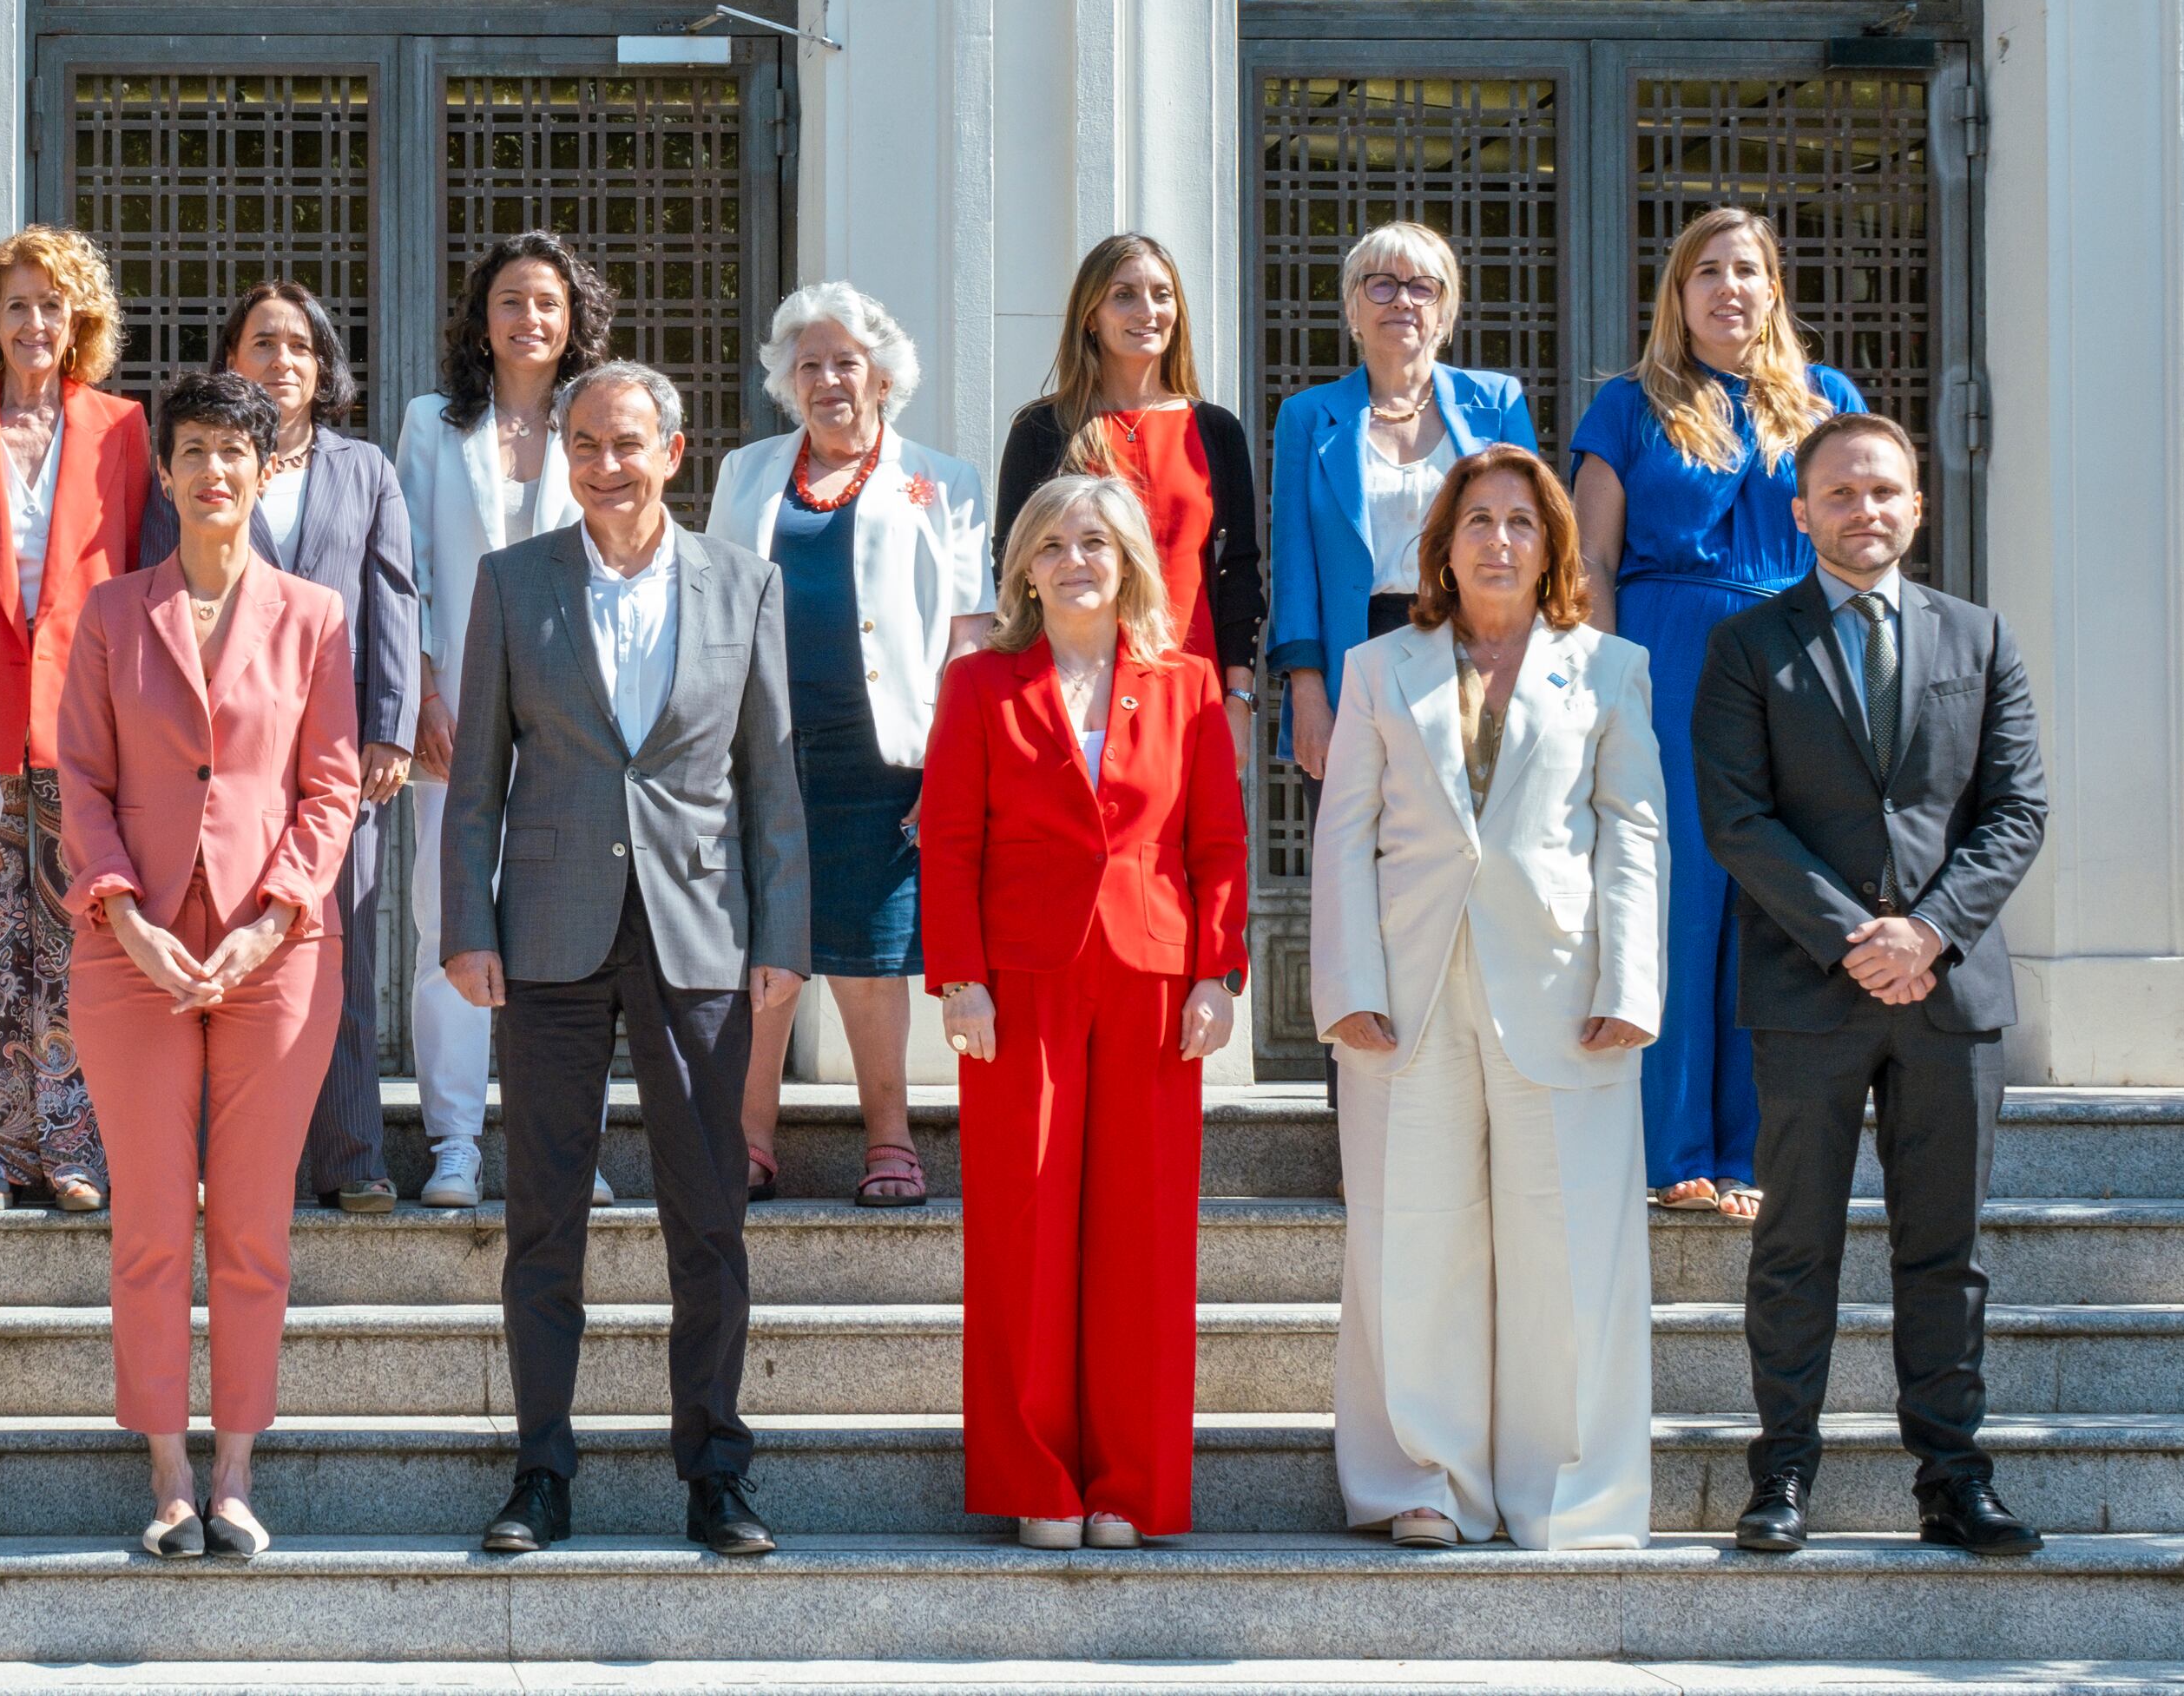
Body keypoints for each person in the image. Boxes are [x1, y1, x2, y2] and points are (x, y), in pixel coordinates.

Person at [442, 360, 806, 1561]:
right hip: (546, 934)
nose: (606, 463)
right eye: (586, 442)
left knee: (709, 1219)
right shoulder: (512, 583)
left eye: (629, 443)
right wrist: (467, 925)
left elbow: (773, 782)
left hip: (699, 932)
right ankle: (542, 1468)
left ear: (675, 450)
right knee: (545, 1215)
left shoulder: (744, 585)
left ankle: (716, 1470)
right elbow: (477, 786)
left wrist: (782, 939)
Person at [1692, 412, 2048, 1561]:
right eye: (1841, 493)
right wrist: (1856, 936)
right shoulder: (1749, 647)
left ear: (1918, 504)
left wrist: (1927, 933)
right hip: (1808, 990)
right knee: (1795, 1243)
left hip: (1950, 996)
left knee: (1944, 1250)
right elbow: (1736, 819)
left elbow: (2015, 812)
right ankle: (1781, 1478)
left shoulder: (1980, 639)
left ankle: (1954, 1480)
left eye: (1886, 490)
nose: (1867, 510)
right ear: (1801, 511)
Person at [1314, 447, 1661, 1552]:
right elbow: (1344, 840)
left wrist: (1631, 982)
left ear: (1552, 543)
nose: (1498, 541)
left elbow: (1636, 835)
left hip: (1567, 990)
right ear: (1442, 546)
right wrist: (1345, 988)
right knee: (1409, 1237)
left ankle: (1569, 1492)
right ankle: (1422, 1481)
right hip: (1405, 993)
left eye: (1521, 521)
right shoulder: (1377, 668)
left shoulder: (1609, 667)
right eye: (1476, 521)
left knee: (1572, 1248)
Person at [62, 369, 367, 1557]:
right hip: (129, 946)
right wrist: (123, 912)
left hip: (277, 950)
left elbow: (331, 784)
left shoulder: (314, 614)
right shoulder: (109, 611)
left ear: (261, 469)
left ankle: (237, 1468)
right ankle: (167, 1471)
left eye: (233, 453)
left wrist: (275, 915)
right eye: (191, 451)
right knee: (148, 1218)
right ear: (170, 471)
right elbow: (79, 780)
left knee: (249, 1223)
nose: (211, 473)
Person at [919, 474, 1244, 1550]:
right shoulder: (977, 684)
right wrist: (957, 977)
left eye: (1094, 543)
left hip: (1153, 981)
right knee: (1023, 1228)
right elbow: (952, 838)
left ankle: (1128, 1487)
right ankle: (1037, 1481)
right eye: (1052, 543)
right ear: (1021, 565)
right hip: (1018, 982)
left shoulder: (1190, 686)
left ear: (1128, 563)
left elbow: (1217, 847)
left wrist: (1215, 973)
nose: (1073, 561)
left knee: (1143, 1238)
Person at [1571, 208, 1870, 1219]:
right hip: (1663, 660)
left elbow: (1858, 543)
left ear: (1772, 288)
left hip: (1792, 665)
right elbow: (1589, 564)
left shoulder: (1827, 402)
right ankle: (1672, 1152)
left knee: (1773, 903)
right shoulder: (1624, 406)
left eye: (1745, 269)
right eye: (1706, 270)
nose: (1727, 287)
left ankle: (1752, 1151)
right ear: (1676, 293)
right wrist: (1599, 690)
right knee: (1675, 899)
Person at [704, 283, 988, 1206]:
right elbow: (709, 612)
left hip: (883, 758)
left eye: (844, 362)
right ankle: (747, 1140)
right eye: (808, 363)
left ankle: (890, 1141)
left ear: (880, 375)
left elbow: (967, 635)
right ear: (787, 379)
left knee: (869, 959)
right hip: (765, 751)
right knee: (763, 958)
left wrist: (949, 767)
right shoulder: (746, 474)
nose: (826, 379)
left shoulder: (940, 479)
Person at [141, 281, 416, 1214]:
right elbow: (159, 599)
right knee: (215, 934)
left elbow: (393, 598)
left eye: (300, 345)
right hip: (220, 754)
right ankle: (229, 1156)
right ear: (230, 361)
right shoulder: (195, 469)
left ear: (322, 364)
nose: (283, 360)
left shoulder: (364, 469)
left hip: (338, 752)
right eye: (263, 342)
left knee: (335, 942)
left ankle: (351, 1156)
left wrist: (391, 724)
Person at [0, 226, 153, 1214]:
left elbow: (136, 572)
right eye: (16, 305)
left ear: (79, 318)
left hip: (86, 720)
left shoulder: (123, 429)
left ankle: (70, 1146)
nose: (34, 323)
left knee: (72, 943)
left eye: (52, 305)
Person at [391, 232, 609, 1208]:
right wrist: (425, 690)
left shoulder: (599, 422)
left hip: (573, 713)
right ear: (482, 318)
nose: (530, 319)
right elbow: (404, 573)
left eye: (548, 304)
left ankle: (566, 1147)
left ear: (574, 323)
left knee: (572, 932)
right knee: (450, 918)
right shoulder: (433, 424)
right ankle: (453, 1144)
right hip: (459, 702)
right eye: (512, 301)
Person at [1266, 222, 1540, 783]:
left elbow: (1532, 544)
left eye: (1423, 286)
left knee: (1465, 852)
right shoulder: (1307, 416)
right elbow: (1295, 569)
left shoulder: (1497, 402)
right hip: (1354, 656)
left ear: (1446, 312)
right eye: (1381, 284)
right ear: (1353, 306)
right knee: (1354, 856)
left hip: (1471, 647)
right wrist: (1309, 693)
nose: (1403, 300)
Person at [993, 234, 1265, 734]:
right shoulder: (1041, 430)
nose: (1148, 310)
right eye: (1124, 295)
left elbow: (1240, 574)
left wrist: (1239, 698)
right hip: (1075, 693)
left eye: (1162, 295)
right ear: (1090, 316)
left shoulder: (1215, 429)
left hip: (1194, 694)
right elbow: (1011, 570)